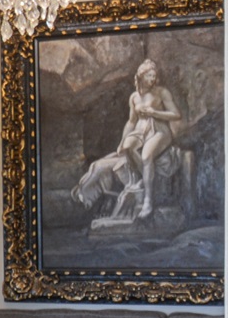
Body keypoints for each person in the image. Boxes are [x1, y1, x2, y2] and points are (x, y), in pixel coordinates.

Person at [75, 58, 184, 226]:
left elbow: (176, 114)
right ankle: (144, 176)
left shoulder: (162, 92)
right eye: (149, 76)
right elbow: (131, 122)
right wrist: (122, 140)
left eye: (154, 76)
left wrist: (155, 112)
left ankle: (148, 200)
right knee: (127, 148)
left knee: (147, 155)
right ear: (141, 76)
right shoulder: (134, 97)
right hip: (140, 130)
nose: (152, 79)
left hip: (160, 131)